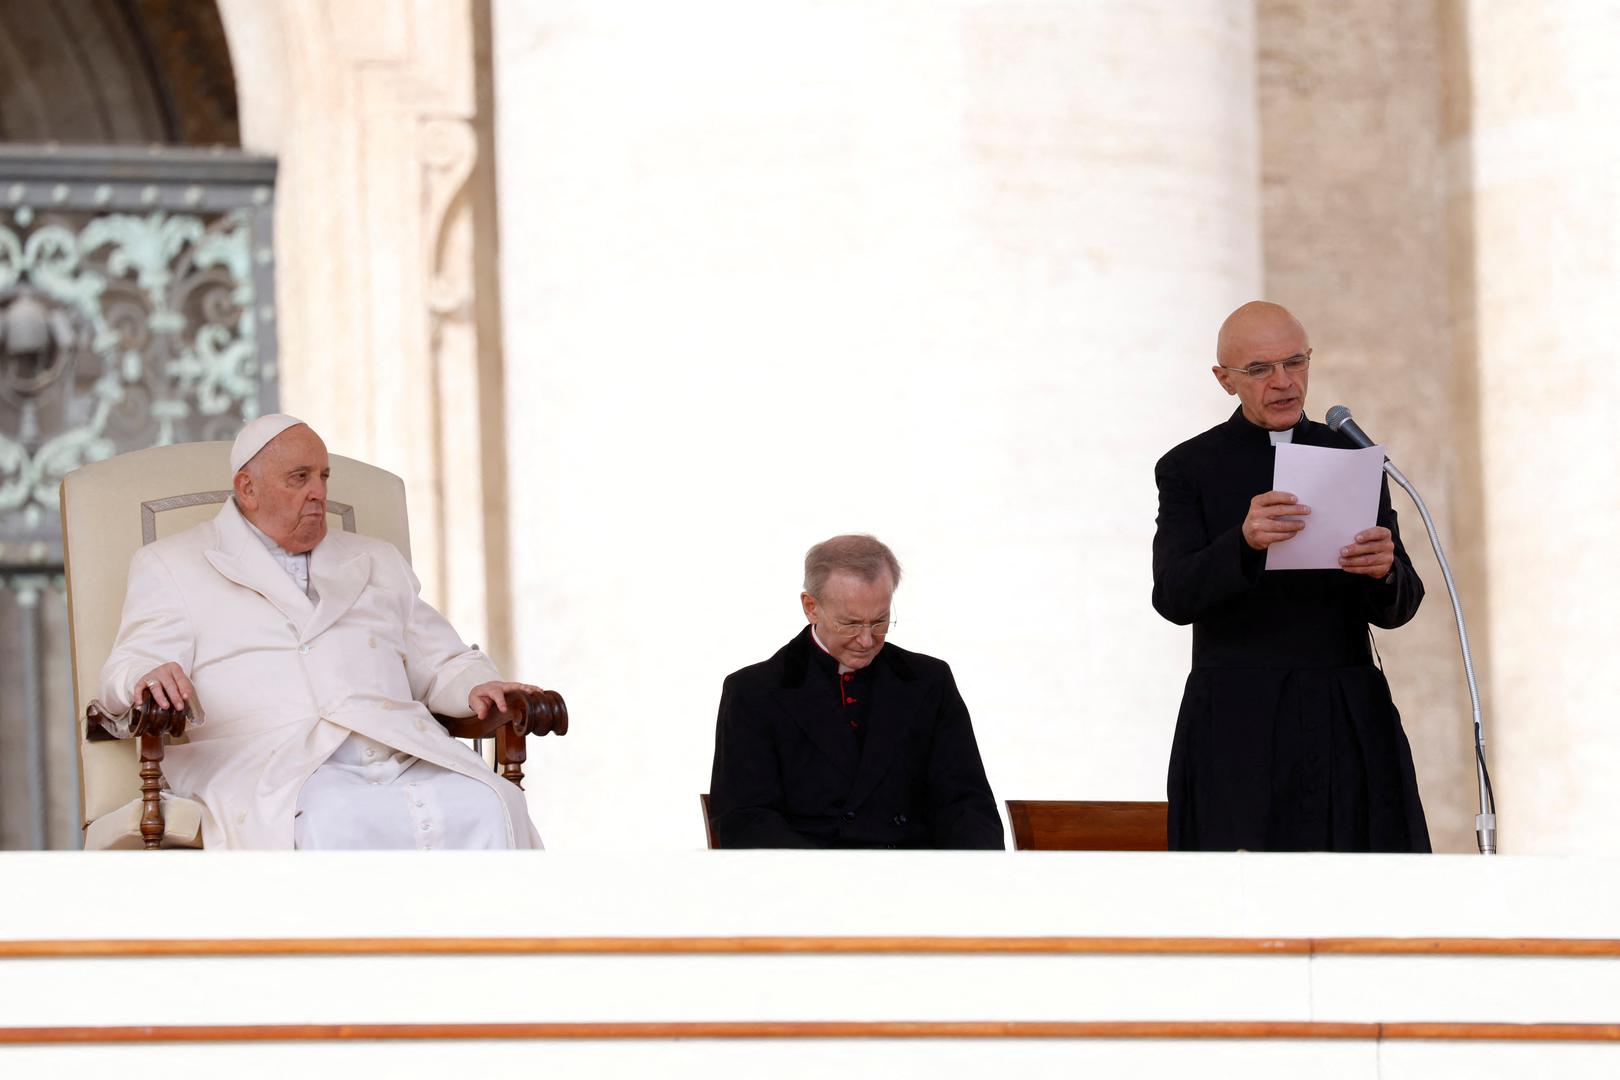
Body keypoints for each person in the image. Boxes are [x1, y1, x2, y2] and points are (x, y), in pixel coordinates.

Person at [97, 413, 544, 850]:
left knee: (489, 803)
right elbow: (128, 663)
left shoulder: (376, 559)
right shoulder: (173, 564)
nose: (319, 493)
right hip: (273, 762)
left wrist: (478, 687)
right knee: (335, 818)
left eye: (323, 476)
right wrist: (146, 676)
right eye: (299, 477)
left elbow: (441, 661)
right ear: (247, 488)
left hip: (399, 750)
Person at [1152, 301, 1430, 852]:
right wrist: (1244, 542)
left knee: (1365, 884)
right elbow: (1173, 595)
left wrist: (1384, 571)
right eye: (1259, 370)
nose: (1284, 382)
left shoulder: (1350, 454)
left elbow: (1400, 605)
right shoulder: (1189, 468)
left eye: (1295, 363)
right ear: (1224, 380)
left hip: (1346, 712)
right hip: (1238, 718)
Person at [708, 534, 1004, 849]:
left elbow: (967, 804)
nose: (866, 640)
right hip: (809, 882)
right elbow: (745, 819)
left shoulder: (930, 681)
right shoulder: (754, 692)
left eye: (879, 622)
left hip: (916, 881)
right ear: (811, 607)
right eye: (850, 624)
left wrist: (976, 880)